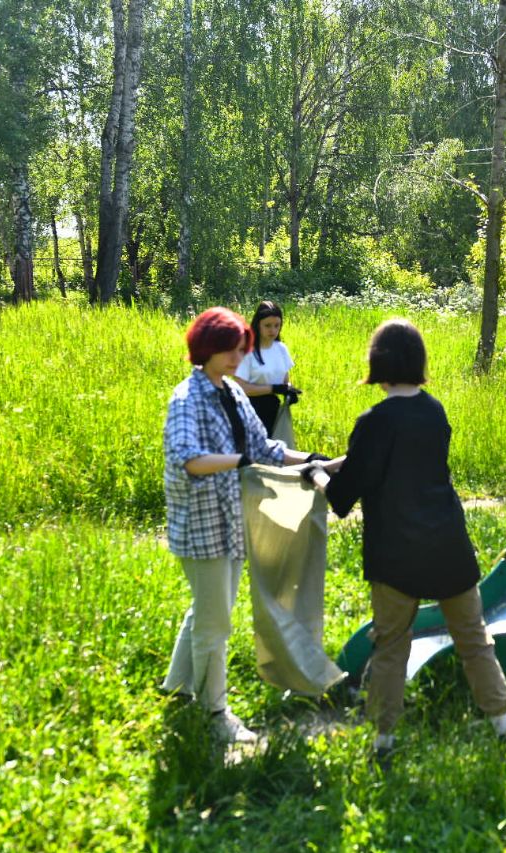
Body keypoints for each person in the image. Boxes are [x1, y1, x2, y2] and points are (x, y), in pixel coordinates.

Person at [300, 318, 506, 766]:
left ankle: (383, 743)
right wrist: (346, 460)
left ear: (376, 362)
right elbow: (399, 455)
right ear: (418, 361)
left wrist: (318, 472)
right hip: (448, 548)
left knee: (392, 646)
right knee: (475, 642)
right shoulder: (434, 411)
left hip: (396, 554)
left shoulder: (373, 421)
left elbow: (343, 497)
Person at [160, 307, 331, 744]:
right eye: (230, 349)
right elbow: (188, 458)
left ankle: (177, 689)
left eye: (242, 349)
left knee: (208, 609)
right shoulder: (187, 397)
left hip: (232, 518)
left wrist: (316, 461)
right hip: (201, 524)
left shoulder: (232, 395)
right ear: (206, 349)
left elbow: (266, 448)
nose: (238, 356)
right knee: (216, 622)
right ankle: (214, 713)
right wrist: (240, 463)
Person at [233, 300, 300, 442]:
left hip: (274, 409)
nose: (273, 330)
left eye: (277, 326)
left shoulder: (281, 349)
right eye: (268, 326)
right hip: (249, 410)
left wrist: (289, 391)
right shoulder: (247, 351)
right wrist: (274, 388)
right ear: (258, 325)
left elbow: (284, 379)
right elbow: (241, 388)